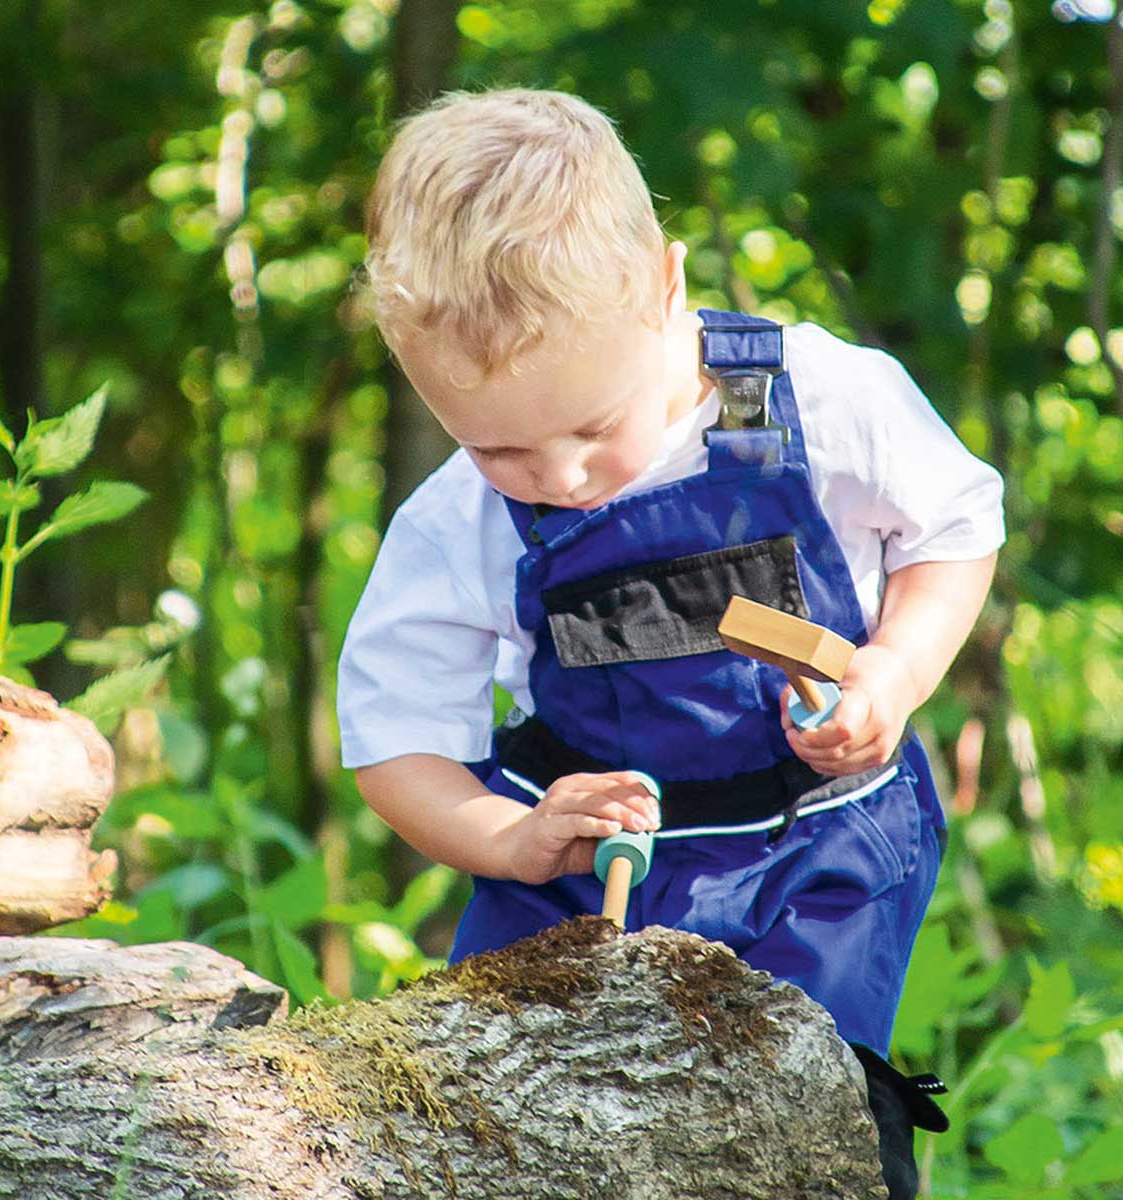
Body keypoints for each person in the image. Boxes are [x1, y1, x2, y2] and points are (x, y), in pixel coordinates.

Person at [338, 87, 1002, 1198]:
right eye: (500, 448)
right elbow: (394, 743)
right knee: (490, 1126)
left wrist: (892, 671)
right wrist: (510, 840)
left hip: (810, 848)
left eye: (593, 430)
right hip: (582, 859)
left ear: (666, 288)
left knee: (815, 1121)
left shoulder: (814, 400)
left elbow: (954, 530)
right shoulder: (459, 519)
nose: (556, 480)